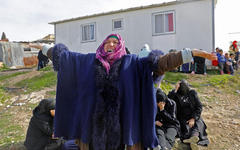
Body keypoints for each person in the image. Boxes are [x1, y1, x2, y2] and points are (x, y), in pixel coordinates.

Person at [30, 33, 216, 150]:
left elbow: (161, 63)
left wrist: (189, 53)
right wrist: (45, 48)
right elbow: (65, 58)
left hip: (122, 125)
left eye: (115, 42)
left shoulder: (133, 63)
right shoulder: (88, 61)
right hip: (94, 125)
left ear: (120, 46)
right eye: (107, 42)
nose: (110, 45)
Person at [168, 80, 209, 150]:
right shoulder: (175, 95)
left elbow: (199, 107)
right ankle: (192, 140)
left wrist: (193, 118)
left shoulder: (192, 93)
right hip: (182, 118)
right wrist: (175, 90)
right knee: (187, 128)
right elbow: (168, 101)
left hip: (194, 116)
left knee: (198, 124)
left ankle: (193, 138)